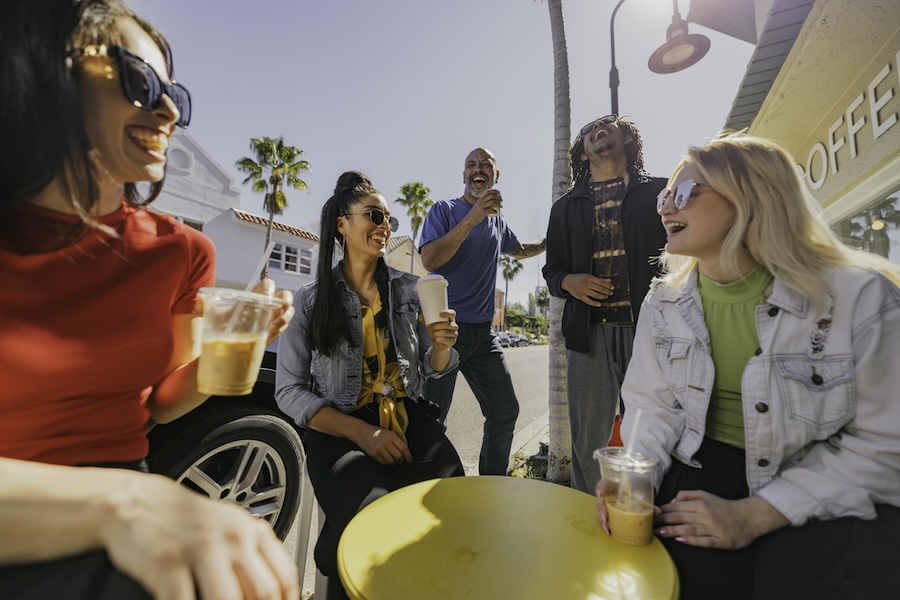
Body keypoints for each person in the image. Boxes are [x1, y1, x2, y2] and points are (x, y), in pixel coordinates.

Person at [0, 1, 298, 599]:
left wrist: (231, 351)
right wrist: (122, 504)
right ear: (48, 70)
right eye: (141, 82)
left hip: (125, 510)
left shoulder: (182, 252)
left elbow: (160, 405)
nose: (166, 111)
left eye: (177, 97)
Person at [596, 133, 900, 598]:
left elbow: (885, 448)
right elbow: (650, 408)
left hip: (822, 473)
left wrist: (755, 515)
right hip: (700, 466)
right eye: (664, 196)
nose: (664, 208)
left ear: (750, 197)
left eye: (682, 194)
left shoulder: (860, 297)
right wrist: (637, 478)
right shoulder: (663, 303)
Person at [275, 171, 465, 600]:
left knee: (452, 503)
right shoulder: (308, 300)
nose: (385, 226)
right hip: (340, 424)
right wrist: (363, 433)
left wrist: (440, 346)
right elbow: (288, 391)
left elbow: (435, 370)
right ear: (342, 224)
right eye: (374, 215)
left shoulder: (410, 290)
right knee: (369, 517)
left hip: (406, 413)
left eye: (389, 219)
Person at [542, 115, 667, 493]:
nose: (598, 128)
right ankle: (585, 514)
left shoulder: (660, 192)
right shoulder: (564, 208)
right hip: (588, 337)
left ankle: (644, 511)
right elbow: (552, 271)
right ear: (582, 150)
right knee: (588, 444)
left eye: (609, 124)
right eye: (589, 129)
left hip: (650, 332)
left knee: (650, 435)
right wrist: (569, 282)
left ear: (627, 138)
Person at [417, 147, 545, 476]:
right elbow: (430, 260)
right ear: (463, 176)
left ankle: (492, 486)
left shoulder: (497, 224)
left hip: (483, 336)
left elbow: (518, 251)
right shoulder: (443, 209)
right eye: (471, 164)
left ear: (495, 176)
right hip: (443, 332)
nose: (478, 168)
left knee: (505, 413)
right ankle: (426, 489)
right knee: (431, 422)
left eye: (485, 164)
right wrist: (471, 218)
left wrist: (548, 241)